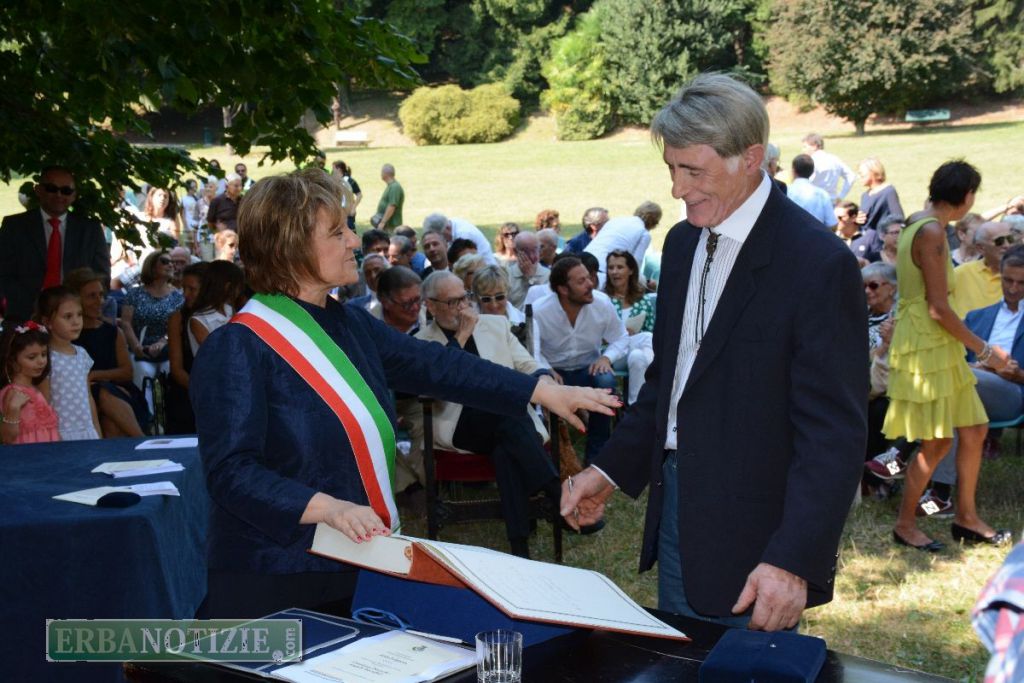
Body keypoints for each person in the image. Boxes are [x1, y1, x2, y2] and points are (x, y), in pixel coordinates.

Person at [188, 168, 618, 618]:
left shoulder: (348, 323)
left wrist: (539, 390)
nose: (354, 241)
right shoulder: (238, 345)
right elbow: (231, 472)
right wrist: (326, 508)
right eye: (337, 232)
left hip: (353, 562)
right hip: (274, 578)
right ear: (288, 247)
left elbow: (438, 366)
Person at [561, 74, 867, 631]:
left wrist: (793, 558)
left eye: (693, 171)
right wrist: (607, 471)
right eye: (671, 169)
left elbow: (833, 433)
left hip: (761, 531)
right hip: (680, 506)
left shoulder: (817, 264)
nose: (677, 189)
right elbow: (672, 383)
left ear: (750, 158)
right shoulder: (681, 244)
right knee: (682, 659)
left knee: (743, 668)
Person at [883, 160, 1012, 552]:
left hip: (935, 342)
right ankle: (905, 525)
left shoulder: (918, 220)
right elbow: (938, 308)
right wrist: (987, 351)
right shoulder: (933, 231)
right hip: (927, 343)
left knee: (973, 429)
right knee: (937, 443)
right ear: (967, 196)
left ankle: (966, 518)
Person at [416, 271, 567, 557]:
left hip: (504, 422)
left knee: (504, 447)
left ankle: (520, 548)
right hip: (459, 422)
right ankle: (557, 493)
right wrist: (461, 336)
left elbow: (528, 364)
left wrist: (544, 378)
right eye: (452, 302)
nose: (462, 307)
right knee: (505, 410)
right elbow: (434, 384)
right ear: (431, 306)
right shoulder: (421, 341)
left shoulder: (496, 325)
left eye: (464, 298)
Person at [533, 256, 627, 462]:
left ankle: (597, 453)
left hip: (588, 369)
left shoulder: (602, 303)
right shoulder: (540, 310)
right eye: (581, 281)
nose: (590, 284)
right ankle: (550, 454)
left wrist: (606, 358)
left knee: (606, 380)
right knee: (539, 381)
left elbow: (621, 337)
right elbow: (532, 350)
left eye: (589, 278)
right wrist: (546, 369)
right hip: (554, 372)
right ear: (563, 289)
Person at [0, 166, 110, 322]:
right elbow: (4, 272)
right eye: (51, 189)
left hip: (77, 319)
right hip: (24, 316)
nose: (59, 195)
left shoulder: (90, 230)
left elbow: (102, 277)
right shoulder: (14, 226)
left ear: (74, 195)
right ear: (38, 190)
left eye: (66, 191)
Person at [64, 268, 147, 437]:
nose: (100, 301)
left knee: (104, 393)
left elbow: (127, 372)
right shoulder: (67, 336)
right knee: (110, 422)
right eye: (91, 296)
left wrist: (94, 376)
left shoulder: (113, 332)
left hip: (116, 391)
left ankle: (141, 441)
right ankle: (142, 441)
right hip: (80, 396)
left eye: (101, 295)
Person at [36, 287, 100, 440]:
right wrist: (49, 436)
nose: (76, 321)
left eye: (79, 314)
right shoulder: (45, 357)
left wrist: (97, 430)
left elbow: (88, 397)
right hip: (60, 434)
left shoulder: (82, 354)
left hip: (86, 431)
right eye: (68, 316)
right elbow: (44, 403)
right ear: (47, 322)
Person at [121, 250, 185, 399]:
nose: (170, 265)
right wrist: (136, 346)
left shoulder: (177, 297)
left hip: (168, 350)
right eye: (165, 261)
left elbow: (179, 326)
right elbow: (126, 322)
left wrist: (163, 342)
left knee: (169, 384)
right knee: (143, 382)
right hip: (140, 349)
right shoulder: (135, 294)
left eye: (172, 262)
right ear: (152, 266)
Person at [604, 250, 656, 405]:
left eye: (620, 267)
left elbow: (651, 330)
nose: (614, 272)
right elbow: (594, 335)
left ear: (631, 270)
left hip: (634, 351)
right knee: (646, 337)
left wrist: (633, 335)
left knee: (637, 356)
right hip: (610, 354)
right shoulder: (603, 299)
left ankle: (635, 407)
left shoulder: (643, 301)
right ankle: (654, 377)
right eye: (611, 267)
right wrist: (620, 334)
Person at [0, 322, 59, 444]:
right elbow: (7, 439)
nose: (41, 361)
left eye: (43, 354)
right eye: (32, 357)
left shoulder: (34, 389)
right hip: (27, 454)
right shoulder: (12, 392)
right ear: (13, 361)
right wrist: (13, 408)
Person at [166, 262, 208, 435]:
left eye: (192, 289)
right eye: (184, 289)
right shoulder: (177, 318)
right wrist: (202, 391)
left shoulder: (225, 313)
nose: (185, 294)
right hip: (187, 389)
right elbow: (176, 369)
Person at [585, 201, 662, 287]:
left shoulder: (615, 220)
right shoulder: (644, 234)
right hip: (602, 273)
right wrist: (647, 283)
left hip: (583, 264)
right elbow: (634, 269)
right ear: (655, 223)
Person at [952, 222, 1017, 316]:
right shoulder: (961, 273)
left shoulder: (1019, 276)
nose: (1007, 245)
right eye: (999, 241)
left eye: (1010, 239)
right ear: (980, 248)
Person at [188, 260, 245, 355]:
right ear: (228, 287)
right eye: (238, 287)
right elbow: (215, 353)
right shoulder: (199, 320)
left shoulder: (229, 309)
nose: (239, 292)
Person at [856, 157, 904, 252]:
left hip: (880, 243)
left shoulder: (888, 191)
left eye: (861, 174)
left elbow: (898, 218)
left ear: (873, 172)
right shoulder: (865, 195)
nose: (859, 177)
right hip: (866, 242)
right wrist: (857, 220)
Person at [801, 132, 856, 201]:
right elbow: (851, 175)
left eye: (805, 147)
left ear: (814, 146)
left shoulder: (811, 162)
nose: (803, 150)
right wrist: (841, 196)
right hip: (831, 201)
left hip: (813, 200)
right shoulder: (834, 159)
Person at [788, 154, 838, 229]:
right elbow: (832, 224)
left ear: (793, 171)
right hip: (815, 234)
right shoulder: (822, 194)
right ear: (812, 172)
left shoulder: (785, 191)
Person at [422, 213, 496, 264]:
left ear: (447, 228)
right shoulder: (450, 223)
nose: (443, 240)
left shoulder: (464, 235)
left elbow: (462, 263)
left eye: (442, 236)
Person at [506, 232, 550, 310]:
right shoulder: (507, 275)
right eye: (526, 252)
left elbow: (545, 306)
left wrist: (531, 279)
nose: (532, 256)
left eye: (535, 250)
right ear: (516, 252)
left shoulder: (548, 275)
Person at [373, 163, 404, 231]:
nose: (381, 174)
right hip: (387, 226)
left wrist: (383, 222)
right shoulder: (391, 186)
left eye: (382, 172)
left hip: (392, 226)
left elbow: (392, 206)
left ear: (385, 174)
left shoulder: (395, 187)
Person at [331, 161, 361, 229]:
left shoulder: (349, 181)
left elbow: (359, 194)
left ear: (339, 169)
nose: (332, 171)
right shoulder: (334, 180)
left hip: (347, 212)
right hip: (338, 212)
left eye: (333, 168)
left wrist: (353, 208)